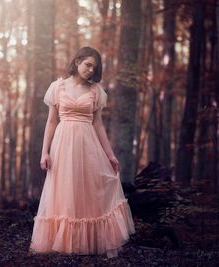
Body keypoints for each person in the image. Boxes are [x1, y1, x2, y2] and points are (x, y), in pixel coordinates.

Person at [29, 47, 135, 258]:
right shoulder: (57, 87)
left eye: (93, 67)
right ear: (77, 61)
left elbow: (99, 125)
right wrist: (44, 152)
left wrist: (110, 155)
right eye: (87, 64)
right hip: (62, 142)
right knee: (64, 189)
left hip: (88, 144)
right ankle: (63, 241)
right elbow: (51, 121)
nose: (90, 70)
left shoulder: (96, 91)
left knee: (88, 188)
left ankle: (89, 241)